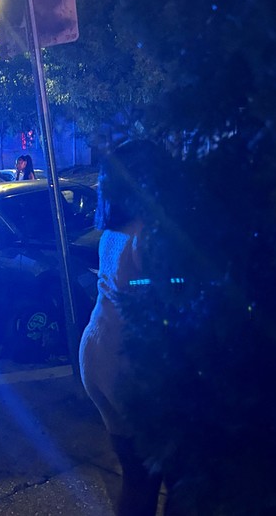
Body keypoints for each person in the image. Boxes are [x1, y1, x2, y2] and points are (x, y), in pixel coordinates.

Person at [79, 140, 174, 516]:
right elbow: (166, 296)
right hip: (128, 362)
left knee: (137, 478)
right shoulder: (150, 232)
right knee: (180, 477)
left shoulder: (113, 231)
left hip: (97, 352)